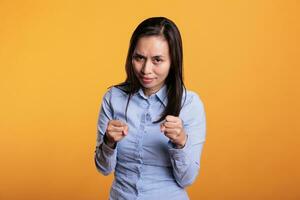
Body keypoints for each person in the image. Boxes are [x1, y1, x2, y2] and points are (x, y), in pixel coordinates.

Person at [94, 16, 206, 200]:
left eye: (157, 60)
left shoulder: (189, 104)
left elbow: (187, 179)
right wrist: (108, 142)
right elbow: (103, 168)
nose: (146, 69)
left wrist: (181, 142)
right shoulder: (113, 98)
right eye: (139, 58)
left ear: (173, 61)